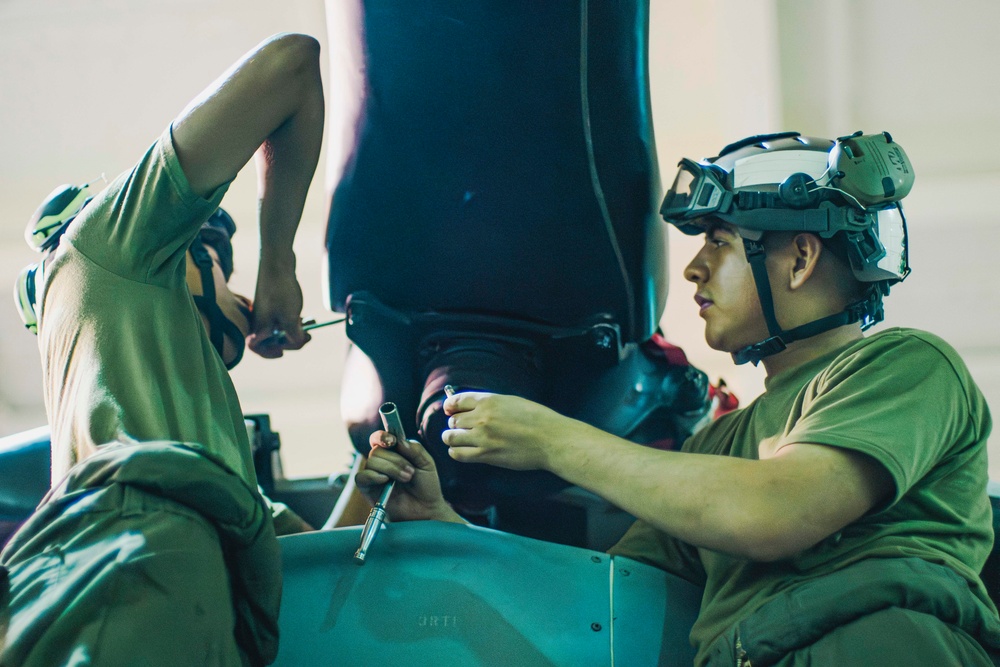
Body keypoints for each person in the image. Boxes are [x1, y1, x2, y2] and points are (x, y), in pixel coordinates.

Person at [357, 131, 1000, 665]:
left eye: (719, 242)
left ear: (802, 257)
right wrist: (446, 528)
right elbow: (600, 605)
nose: (693, 268)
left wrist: (551, 439)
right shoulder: (715, 447)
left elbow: (781, 510)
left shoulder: (903, 365)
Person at [1, 32, 324, 666]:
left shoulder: (195, 431)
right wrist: (279, 263)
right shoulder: (101, 250)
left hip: (175, 586)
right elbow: (292, 64)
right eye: (223, 267)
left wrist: (378, 489)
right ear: (185, 252)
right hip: (133, 561)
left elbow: (319, 557)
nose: (237, 293)